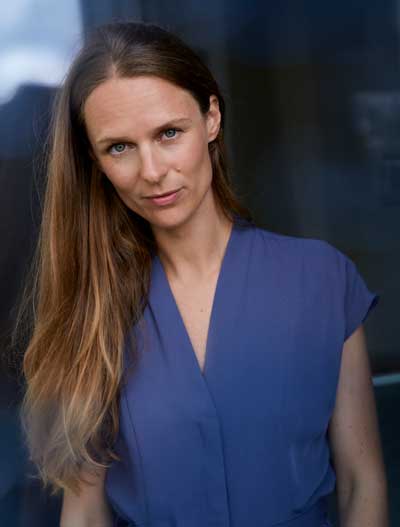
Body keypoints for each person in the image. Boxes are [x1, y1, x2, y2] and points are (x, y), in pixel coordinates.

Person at [15, 20, 389, 527]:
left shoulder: (322, 281)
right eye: (119, 147)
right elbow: (84, 515)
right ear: (94, 160)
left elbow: (362, 484)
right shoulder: (91, 313)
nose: (152, 171)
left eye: (169, 133)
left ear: (211, 118)